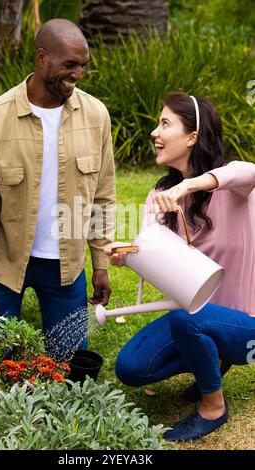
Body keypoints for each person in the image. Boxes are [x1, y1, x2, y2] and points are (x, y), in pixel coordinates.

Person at [105, 91, 255, 441]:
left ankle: (213, 406)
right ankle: (210, 360)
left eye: (165, 124)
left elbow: (248, 171)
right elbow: (150, 253)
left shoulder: (234, 186)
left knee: (186, 320)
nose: (155, 133)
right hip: (198, 316)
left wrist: (188, 186)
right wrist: (127, 254)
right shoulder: (160, 195)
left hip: (246, 325)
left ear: (192, 137)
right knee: (131, 367)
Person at [0, 19, 115, 355]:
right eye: (69, 64)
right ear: (42, 57)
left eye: (82, 66)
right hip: (6, 265)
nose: (76, 74)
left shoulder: (96, 116)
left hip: (67, 265)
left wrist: (100, 263)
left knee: (71, 366)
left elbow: (103, 195)